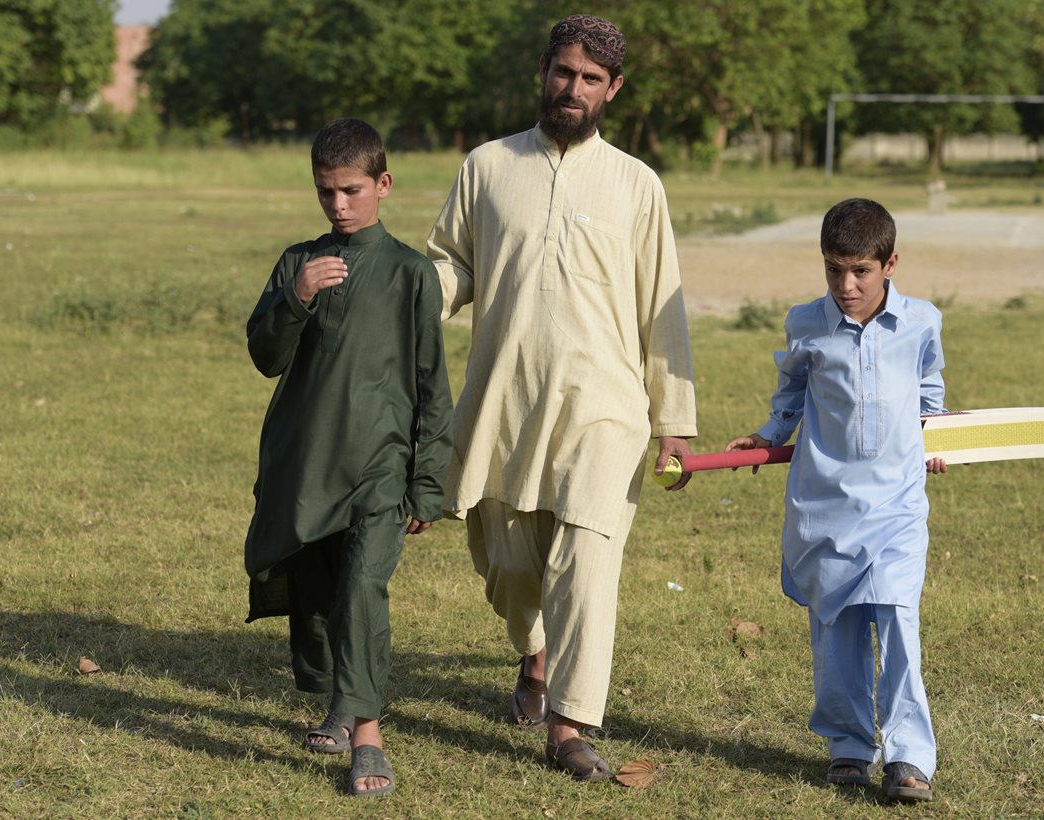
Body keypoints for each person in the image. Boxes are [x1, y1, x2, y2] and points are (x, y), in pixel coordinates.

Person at [426, 13, 698, 781]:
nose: (573, 88)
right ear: (542, 72)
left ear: (614, 89)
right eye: (563, 72)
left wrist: (674, 420)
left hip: (604, 410)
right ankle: (535, 649)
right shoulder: (487, 167)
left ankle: (570, 725)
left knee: (586, 563)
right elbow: (450, 263)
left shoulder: (637, 185)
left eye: (590, 79)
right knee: (509, 565)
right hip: (504, 404)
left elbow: (663, 308)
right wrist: (405, 299)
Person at [242, 118, 453, 798]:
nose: (338, 205)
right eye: (325, 192)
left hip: (380, 469)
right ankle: (340, 699)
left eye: (351, 190)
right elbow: (266, 357)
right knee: (322, 595)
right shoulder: (297, 263)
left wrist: (428, 483)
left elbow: (432, 384)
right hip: (306, 465)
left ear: (383, 184)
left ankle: (367, 736)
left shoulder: (411, 273)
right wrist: (297, 296)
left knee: (363, 586)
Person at [724, 198, 947, 803]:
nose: (846, 286)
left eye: (860, 271)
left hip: (897, 506)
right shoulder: (807, 322)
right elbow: (791, 392)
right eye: (833, 269)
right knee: (837, 629)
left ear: (890, 264)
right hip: (826, 505)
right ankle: (848, 747)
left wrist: (939, 436)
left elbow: (930, 388)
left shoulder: (922, 322)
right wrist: (768, 436)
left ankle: (909, 757)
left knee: (898, 622)